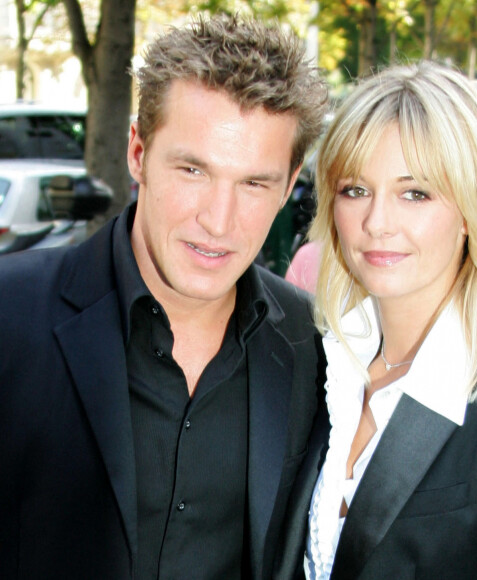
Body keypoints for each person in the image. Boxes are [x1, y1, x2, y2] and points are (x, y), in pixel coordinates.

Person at [0, 14, 329, 579]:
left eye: (254, 182)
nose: (218, 220)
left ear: (289, 182)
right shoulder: (10, 314)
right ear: (137, 152)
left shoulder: (312, 344)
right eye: (193, 169)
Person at [276, 62, 477, 579]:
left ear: (471, 210)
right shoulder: (319, 371)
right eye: (355, 189)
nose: (376, 222)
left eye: (414, 193)